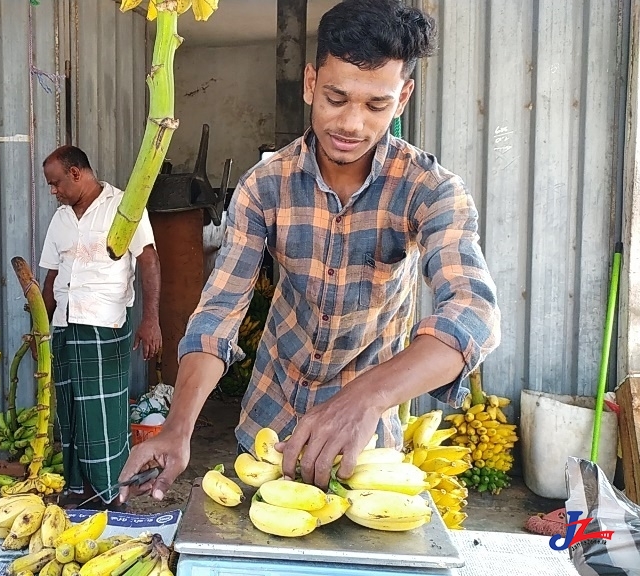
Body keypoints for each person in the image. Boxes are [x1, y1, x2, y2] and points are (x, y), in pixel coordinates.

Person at [118, 0, 501, 503]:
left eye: (375, 106)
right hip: (265, 429)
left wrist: (364, 399)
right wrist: (178, 425)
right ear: (309, 83)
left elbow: (473, 312)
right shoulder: (264, 188)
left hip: (363, 446)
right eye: (335, 98)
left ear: (403, 97)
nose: (352, 124)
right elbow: (217, 316)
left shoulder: (429, 190)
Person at [38, 145, 162, 510]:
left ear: (77, 173)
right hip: (64, 325)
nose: (53, 191)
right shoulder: (61, 219)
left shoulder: (123, 207)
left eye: (56, 182)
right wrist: (42, 330)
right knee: (72, 413)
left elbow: (150, 262)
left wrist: (150, 318)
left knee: (102, 419)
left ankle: (111, 493)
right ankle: (78, 490)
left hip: (103, 326)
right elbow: (51, 278)